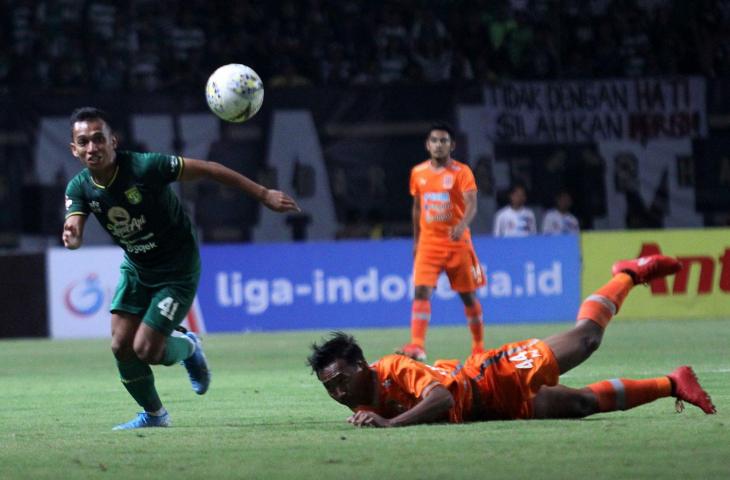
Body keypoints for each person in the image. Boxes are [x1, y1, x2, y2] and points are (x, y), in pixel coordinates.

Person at [62, 107, 300, 430]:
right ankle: (156, 415)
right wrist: (72, 236)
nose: (93, 148)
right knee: (120, 345)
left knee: (146, 349)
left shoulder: (145, 167)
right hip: (137, 267)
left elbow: (211, 170)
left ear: (113, 141)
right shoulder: (79, 187)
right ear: (74, 150)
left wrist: (263, 194)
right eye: (84, 142)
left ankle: (189, 346)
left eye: (98, 139)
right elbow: (74, 227)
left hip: (177, 268)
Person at [308, 254, 716, 428]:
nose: (338, 391)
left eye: (340, 379)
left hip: (491, 376)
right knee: (580, 404)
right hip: (492, 408)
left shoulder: (394, 368)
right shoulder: (360, 401)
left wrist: (389, 424)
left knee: (587, 339)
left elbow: (442, 400)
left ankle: (629, 274)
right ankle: (673, 383)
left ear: (361, 366)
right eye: (330, 388)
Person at [400, 123, 486, 362]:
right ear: (428, 145)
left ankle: (478, 346)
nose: (439, 145)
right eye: (435, 141)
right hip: (429, 243)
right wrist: (417, 241)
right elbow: (417, 208)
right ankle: (417, 345)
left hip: (457, 243)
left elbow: (472, 204)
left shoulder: (462, 172)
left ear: (452, 145)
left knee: (467, 296)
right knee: (421, 291)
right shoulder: (418, 173)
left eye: (444, 141)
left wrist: (462, 225)